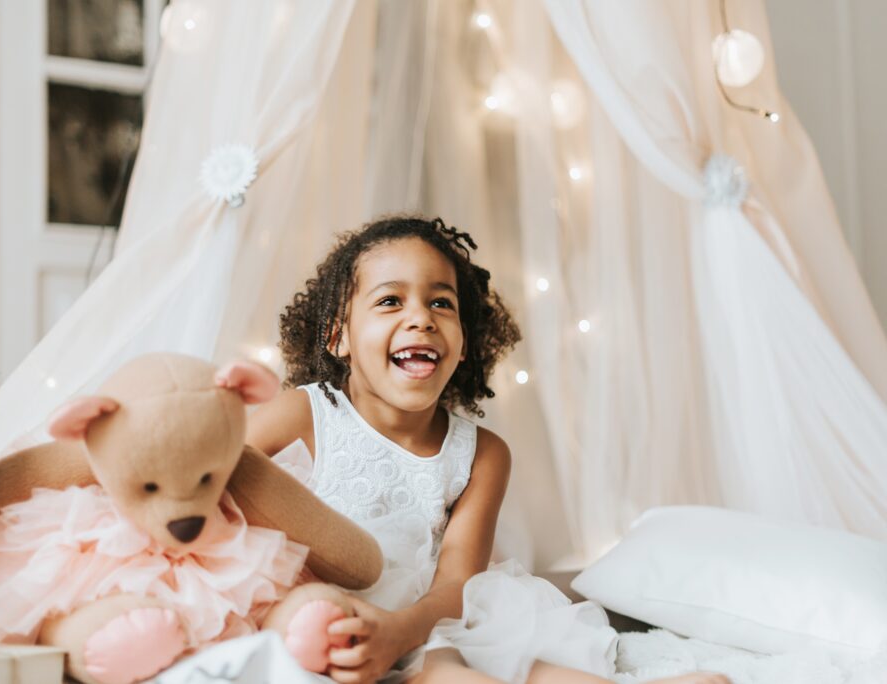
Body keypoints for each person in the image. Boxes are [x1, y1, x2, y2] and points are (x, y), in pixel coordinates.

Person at [248, 215, 729, 684]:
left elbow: (457, 584)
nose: (421, 318)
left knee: (480, 663)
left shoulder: (482, 453)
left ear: (464, 346)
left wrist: (398, 633)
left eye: (442, 303)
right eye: (391, 301)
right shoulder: (302, 416)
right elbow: (207, 475)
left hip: (429, 618)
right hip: (323, 618)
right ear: (339, 336)